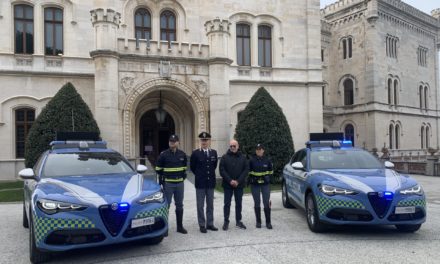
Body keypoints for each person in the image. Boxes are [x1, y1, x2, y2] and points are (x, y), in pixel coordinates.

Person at [155, 134, 188, 234]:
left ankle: (180, 227)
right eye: (170, 141)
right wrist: (165, 177)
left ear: (178, 142)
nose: (172, 143)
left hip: (179, 184)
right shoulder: (163, 154)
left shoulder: (182, 154)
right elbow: (158, 169)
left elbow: (184, 168)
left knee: (179, 205)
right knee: (166, 206)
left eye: (174, 141)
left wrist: (181, 177)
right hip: (168, 184)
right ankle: (165, 228)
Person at [190, 132, 219, 233]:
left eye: (206, 140)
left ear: (209, 141)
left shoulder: (213, 153)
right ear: (200, 141)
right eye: (202, 140)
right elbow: (192, 167)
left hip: (210, 183)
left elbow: (214, 166)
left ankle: (210, 224)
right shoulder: (195, 153)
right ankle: (202, 225)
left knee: (210, 204)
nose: (204, 142)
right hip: (200, 183)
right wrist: (199, 175)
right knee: (200, 205)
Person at [220, 139, 248, 230]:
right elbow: (222, 170)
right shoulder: (224, 157)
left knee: (239, 203)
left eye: (234, 146)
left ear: (238, 146)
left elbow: (245, 170)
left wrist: (238, 181)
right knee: (227, 204)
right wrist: (230, 181)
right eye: (231, 146)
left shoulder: (243, 157)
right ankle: (226, 221)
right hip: (227, 185)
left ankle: (238, 221)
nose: (232, 147)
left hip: (239, 185)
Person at [248, 144, 273, 229]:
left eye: (260, 149)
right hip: (255, 185)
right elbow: (249, 172)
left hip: (265, 185)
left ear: (263, 150)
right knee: (257, 202)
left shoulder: (267, 160)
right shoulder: (251, 160)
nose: (259, 151)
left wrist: (267, 178)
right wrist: (252, 179)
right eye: (257, 149)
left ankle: (268, 222)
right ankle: (258, 222)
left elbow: (271, 172)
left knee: (266, 202)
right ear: (256, 151)